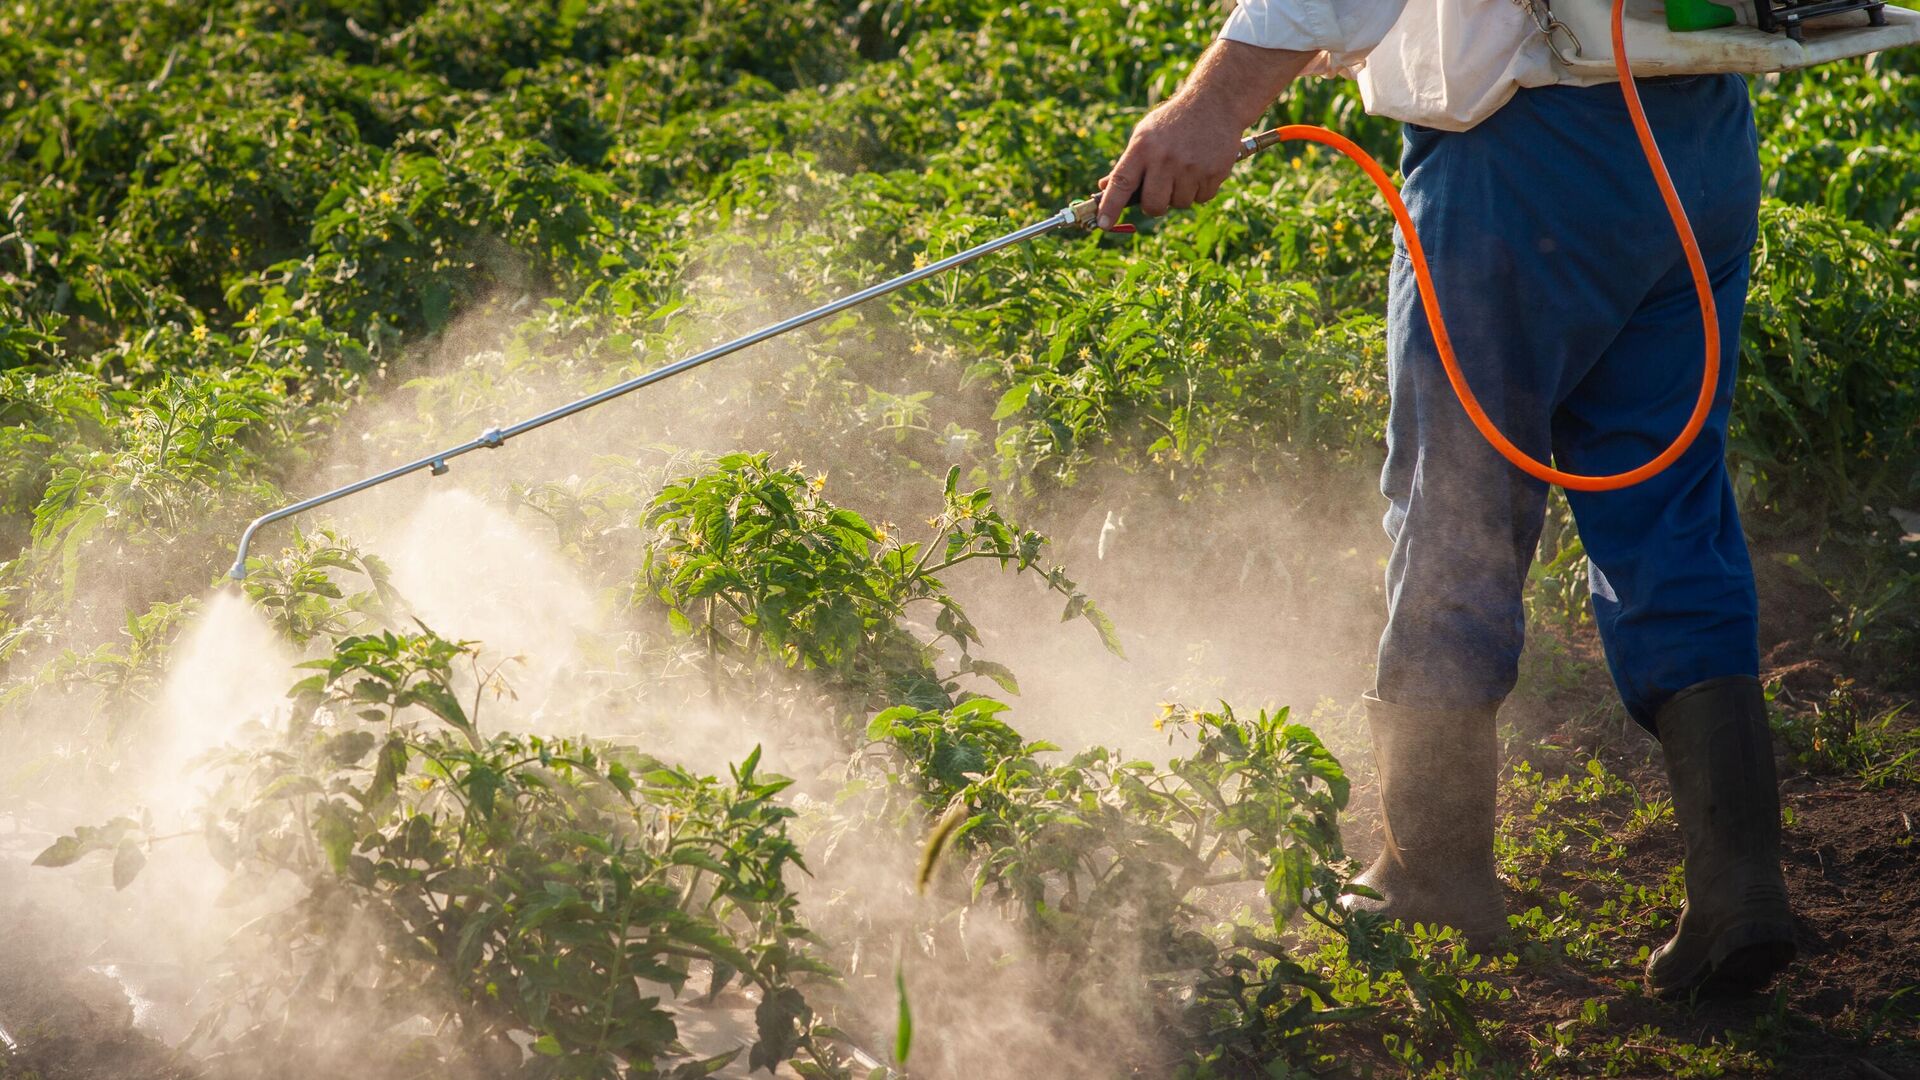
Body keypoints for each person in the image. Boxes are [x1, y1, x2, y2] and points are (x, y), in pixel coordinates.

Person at [1096, 1, 1796, 995]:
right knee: (1671, 501)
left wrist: (1213, 105)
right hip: (1699, 145)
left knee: (1454, 504)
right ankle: (1739, 887)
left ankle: (1433, 866)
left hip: (1525, 162)